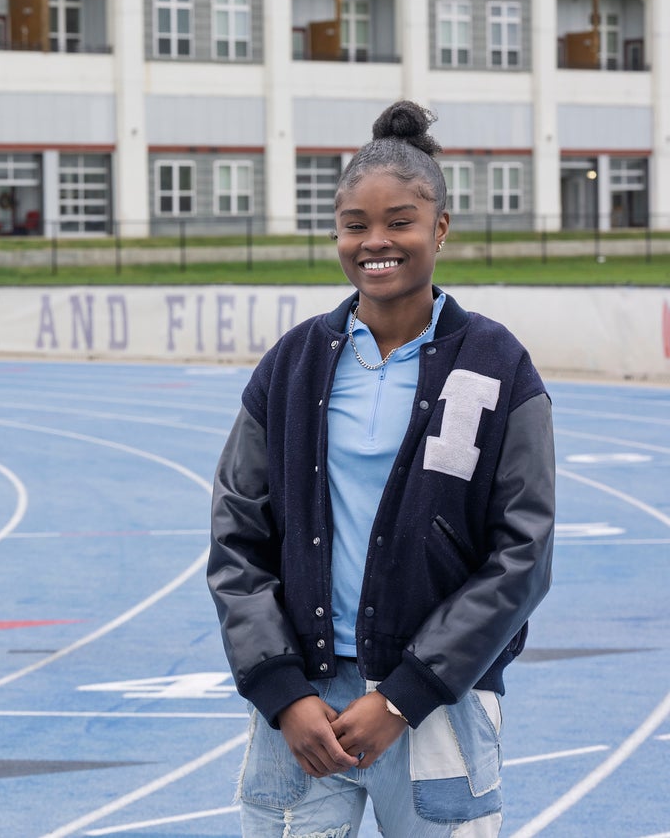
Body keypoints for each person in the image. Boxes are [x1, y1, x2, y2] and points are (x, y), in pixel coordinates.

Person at [206, 100, 555, 837]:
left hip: (438, 706)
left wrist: (403, 694)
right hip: (302, 707)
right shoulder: (292, 366)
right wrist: (281, 690)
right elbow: (237, 535)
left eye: (399, 221)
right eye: (354, 225)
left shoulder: (498, 366)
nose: (375, 242)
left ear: (440, 228)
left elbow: (522, 553)